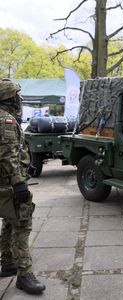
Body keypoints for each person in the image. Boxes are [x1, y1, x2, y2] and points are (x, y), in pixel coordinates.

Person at [0, 79, 45, 295]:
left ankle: (7, 264)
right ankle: (24, 274)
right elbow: (8, 155)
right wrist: (19, 183)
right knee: (22, 222)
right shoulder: (6, 120)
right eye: (17, 94)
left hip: (4, 182)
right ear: (9, 97)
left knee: (9, 222)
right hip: (8, 183)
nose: (20, 97)